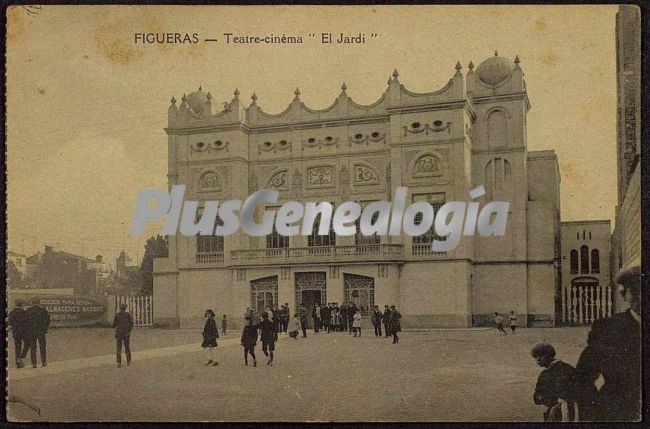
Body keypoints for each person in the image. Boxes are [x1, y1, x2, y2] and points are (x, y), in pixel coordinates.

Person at [574, 265, 641, 421]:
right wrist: (596, 413)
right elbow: (583, 378)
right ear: (624, 295)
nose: (642, 297)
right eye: (636, 291)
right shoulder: (607, 329)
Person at [531, 342, 577, 422]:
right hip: (567, 408)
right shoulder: (566, 368)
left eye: (541, 355)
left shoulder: (551, 372)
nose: (538, 359)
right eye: (535, 357)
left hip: (564, 409)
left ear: (550, 355)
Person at [21, 298, 51, 368]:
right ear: (39, 302)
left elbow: (25, 322)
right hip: (41, 331)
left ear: (32, 303)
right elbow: (48, 320)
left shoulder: (28, 310)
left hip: (31, 331)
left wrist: (27, 329)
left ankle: (34, 363)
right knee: (42, 347)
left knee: (33, 347)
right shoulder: (43, 310)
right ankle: (43, 362)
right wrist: (45, 329)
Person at [112, 302, 134, 368]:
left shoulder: (117, 315)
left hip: (119, 333)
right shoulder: (128, 315)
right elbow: (132, 323)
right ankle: (128, 361)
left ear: (120, 308)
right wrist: (129, 330)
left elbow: (113, 325)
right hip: (126, 333)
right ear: (125, 308)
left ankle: (119, 362)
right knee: (127, 347)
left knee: (119, 348)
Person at [8, 299, 26, 368]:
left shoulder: (12, 313)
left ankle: (18, 361)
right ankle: (21, 356)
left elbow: (10, 323)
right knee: (28, 344)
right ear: (21, 305)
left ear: (16, 305)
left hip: (16, 332)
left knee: (17, 346)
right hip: (24, 332)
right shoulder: (24, 313)